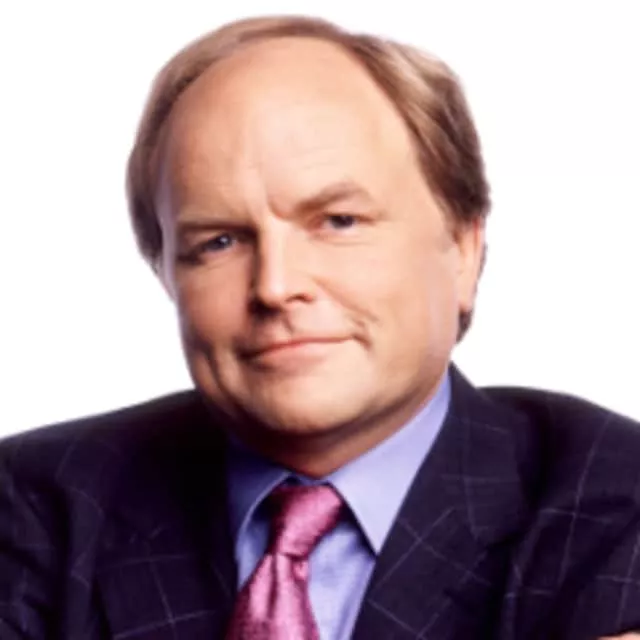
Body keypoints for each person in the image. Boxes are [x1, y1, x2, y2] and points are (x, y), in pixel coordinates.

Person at [1, 14, 639, 640]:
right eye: (219, 242)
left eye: (338, 221)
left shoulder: (613, 499)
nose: (275, 286)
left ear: (463, 251)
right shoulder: (34, 508)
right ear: (166, 274)